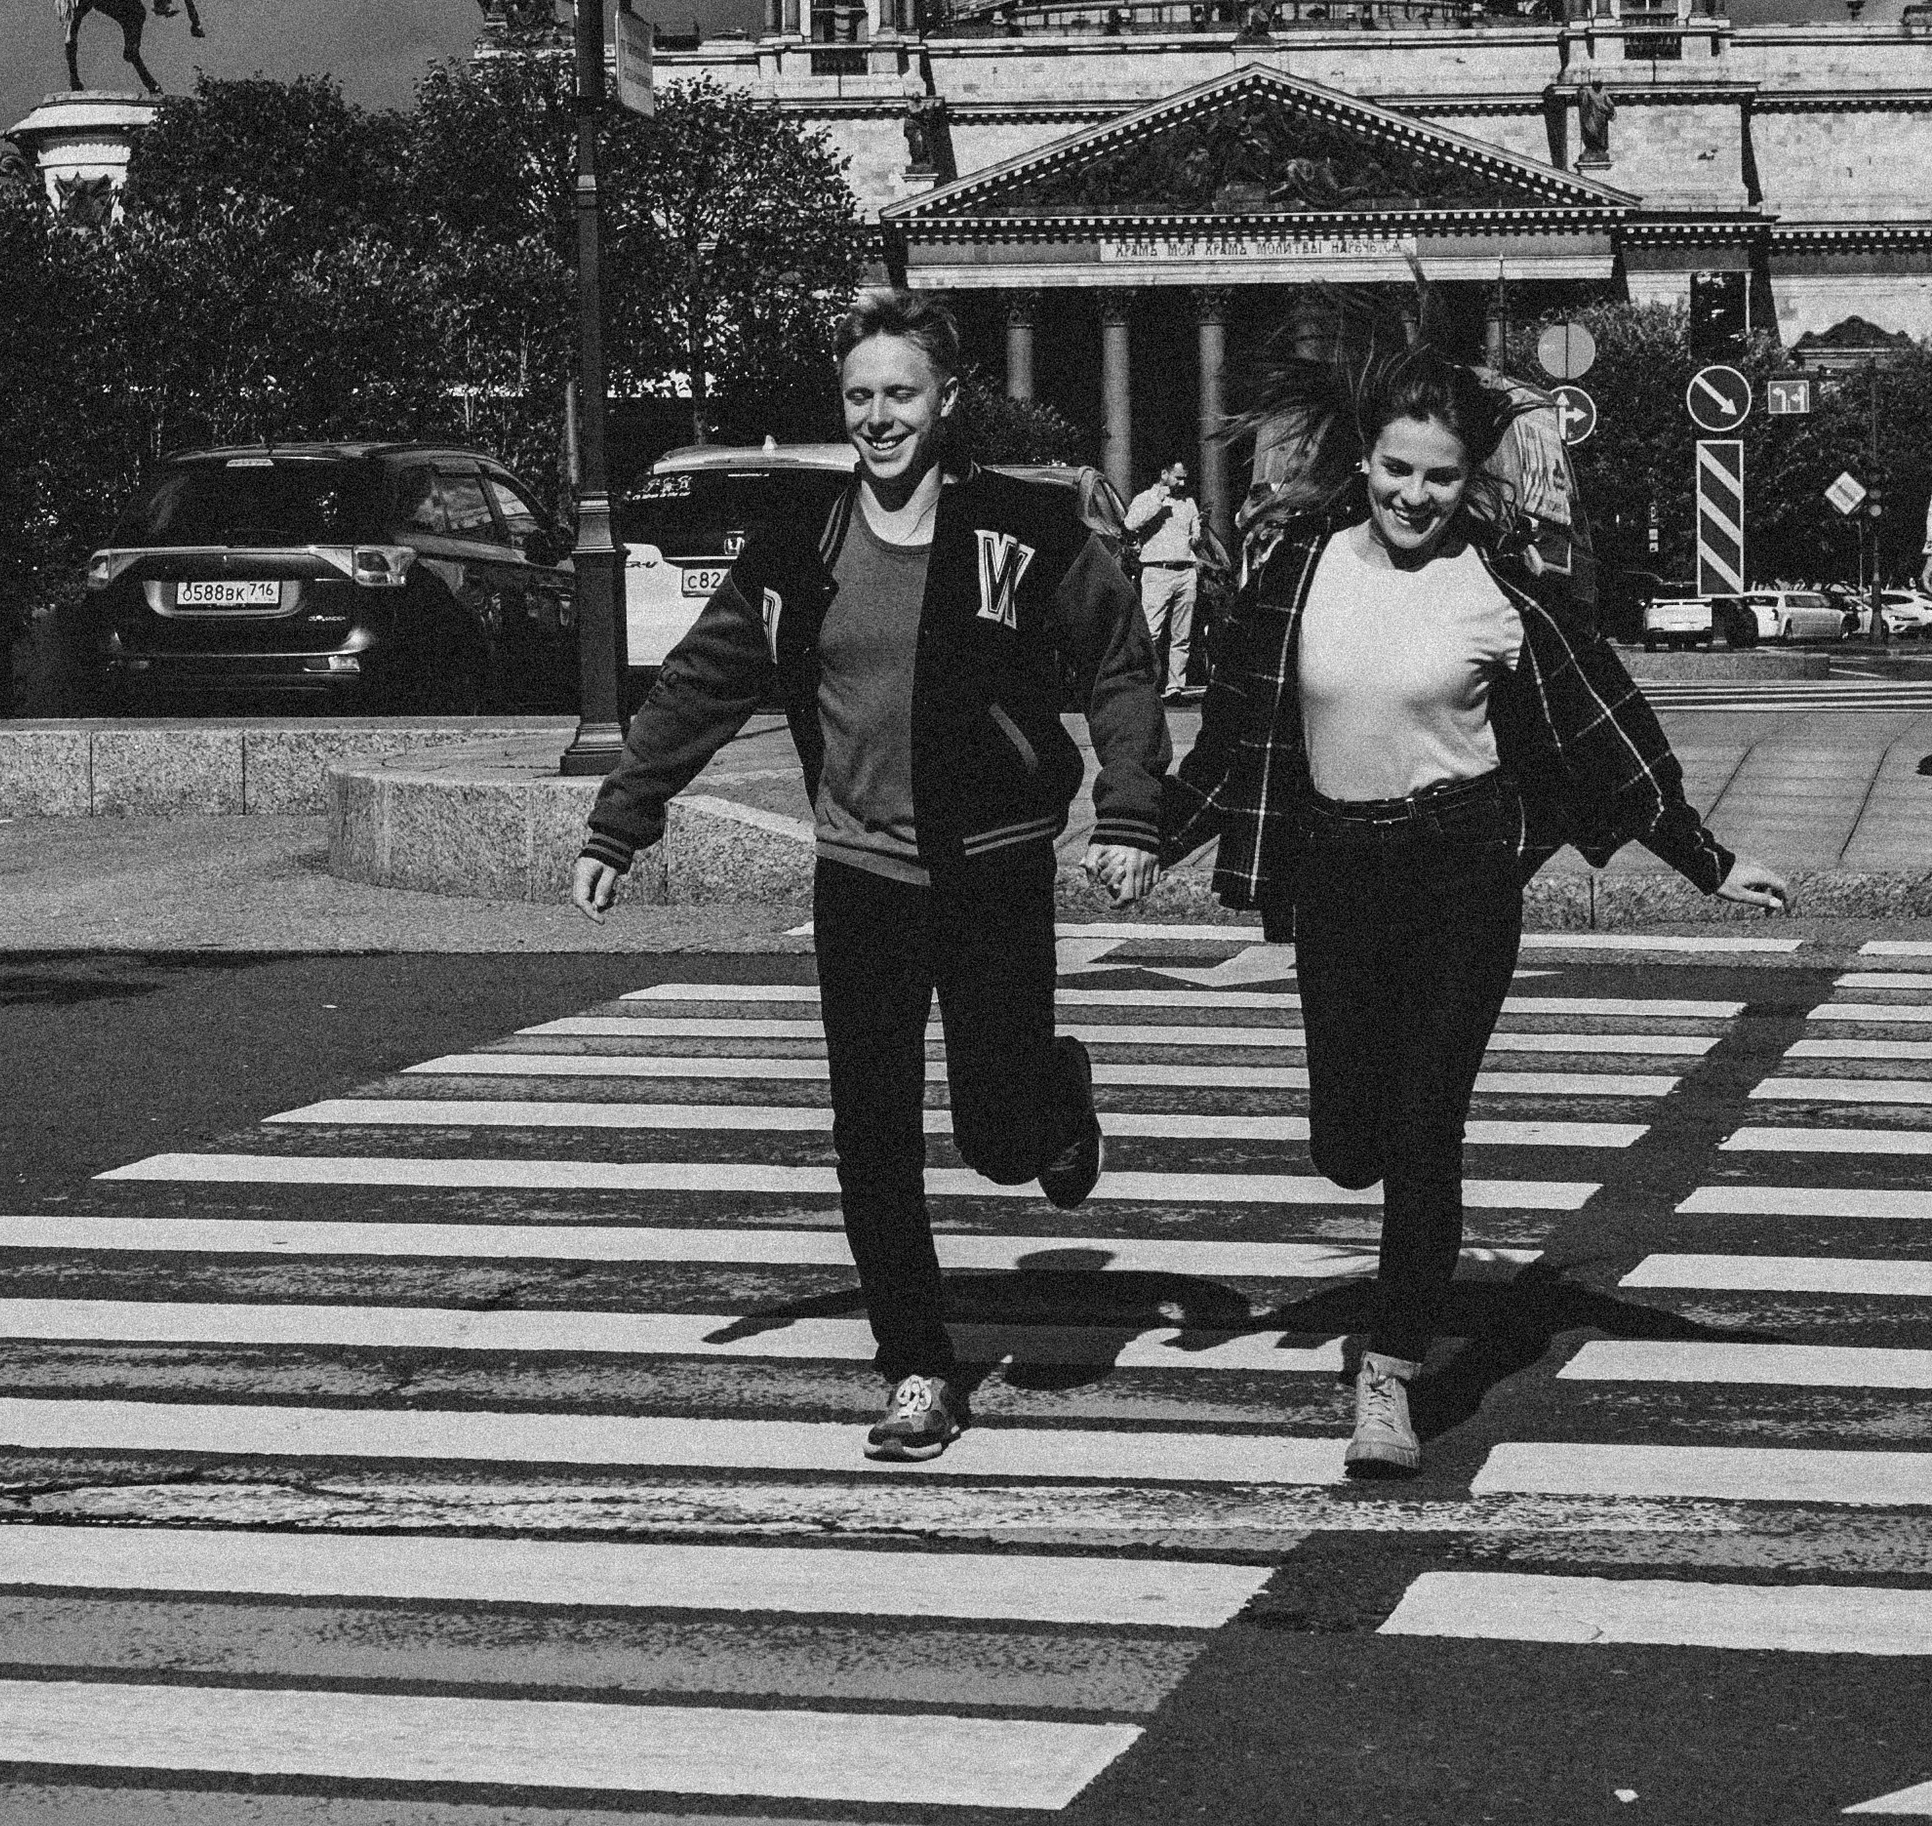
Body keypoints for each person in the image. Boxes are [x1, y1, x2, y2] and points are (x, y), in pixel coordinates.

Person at [1158, 333, 1789, 1480]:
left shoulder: (1502, 594)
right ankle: (1377, 1236)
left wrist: (1704, 858)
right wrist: (1142, 834)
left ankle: (1391, 1374)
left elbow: (1608, 731)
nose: (1415, 495)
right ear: (1366, 464)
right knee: (1348, 1142)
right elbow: (1236, 737)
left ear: (1468, 479)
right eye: (1398, 470)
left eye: (1440, 477)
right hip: (1336, 875)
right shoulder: (1297, 571)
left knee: (1423, 1130)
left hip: (1457, 877)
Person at [571, 290, 1169, 1463]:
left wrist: (1131, 812)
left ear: (946, 401)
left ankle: (1052, 1091)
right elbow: (704, 679)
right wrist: (619, 821)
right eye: (859, 397)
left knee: (997, 1141)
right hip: (861, 878)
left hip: (991, 870)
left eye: (901, 394)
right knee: (872, 1131)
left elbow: (1119, 663)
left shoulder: (1025, 528)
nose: (879, 417)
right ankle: (917, 1366)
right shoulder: (804, 536)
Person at [1124, 459, 1204, 693]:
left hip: (1186, 571)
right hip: (1157, 571)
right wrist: (1158, 500)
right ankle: (1143, 683)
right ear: (1164, 474)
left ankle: (1175, 685)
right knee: (1151, 631)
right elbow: (1130, 524)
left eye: (1184, 478)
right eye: (1177, 477)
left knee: (1182, 634)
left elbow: (1195, 535)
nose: (1182, 482)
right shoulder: (1145, 498)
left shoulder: (1189, 502)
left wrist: (1196, 538)